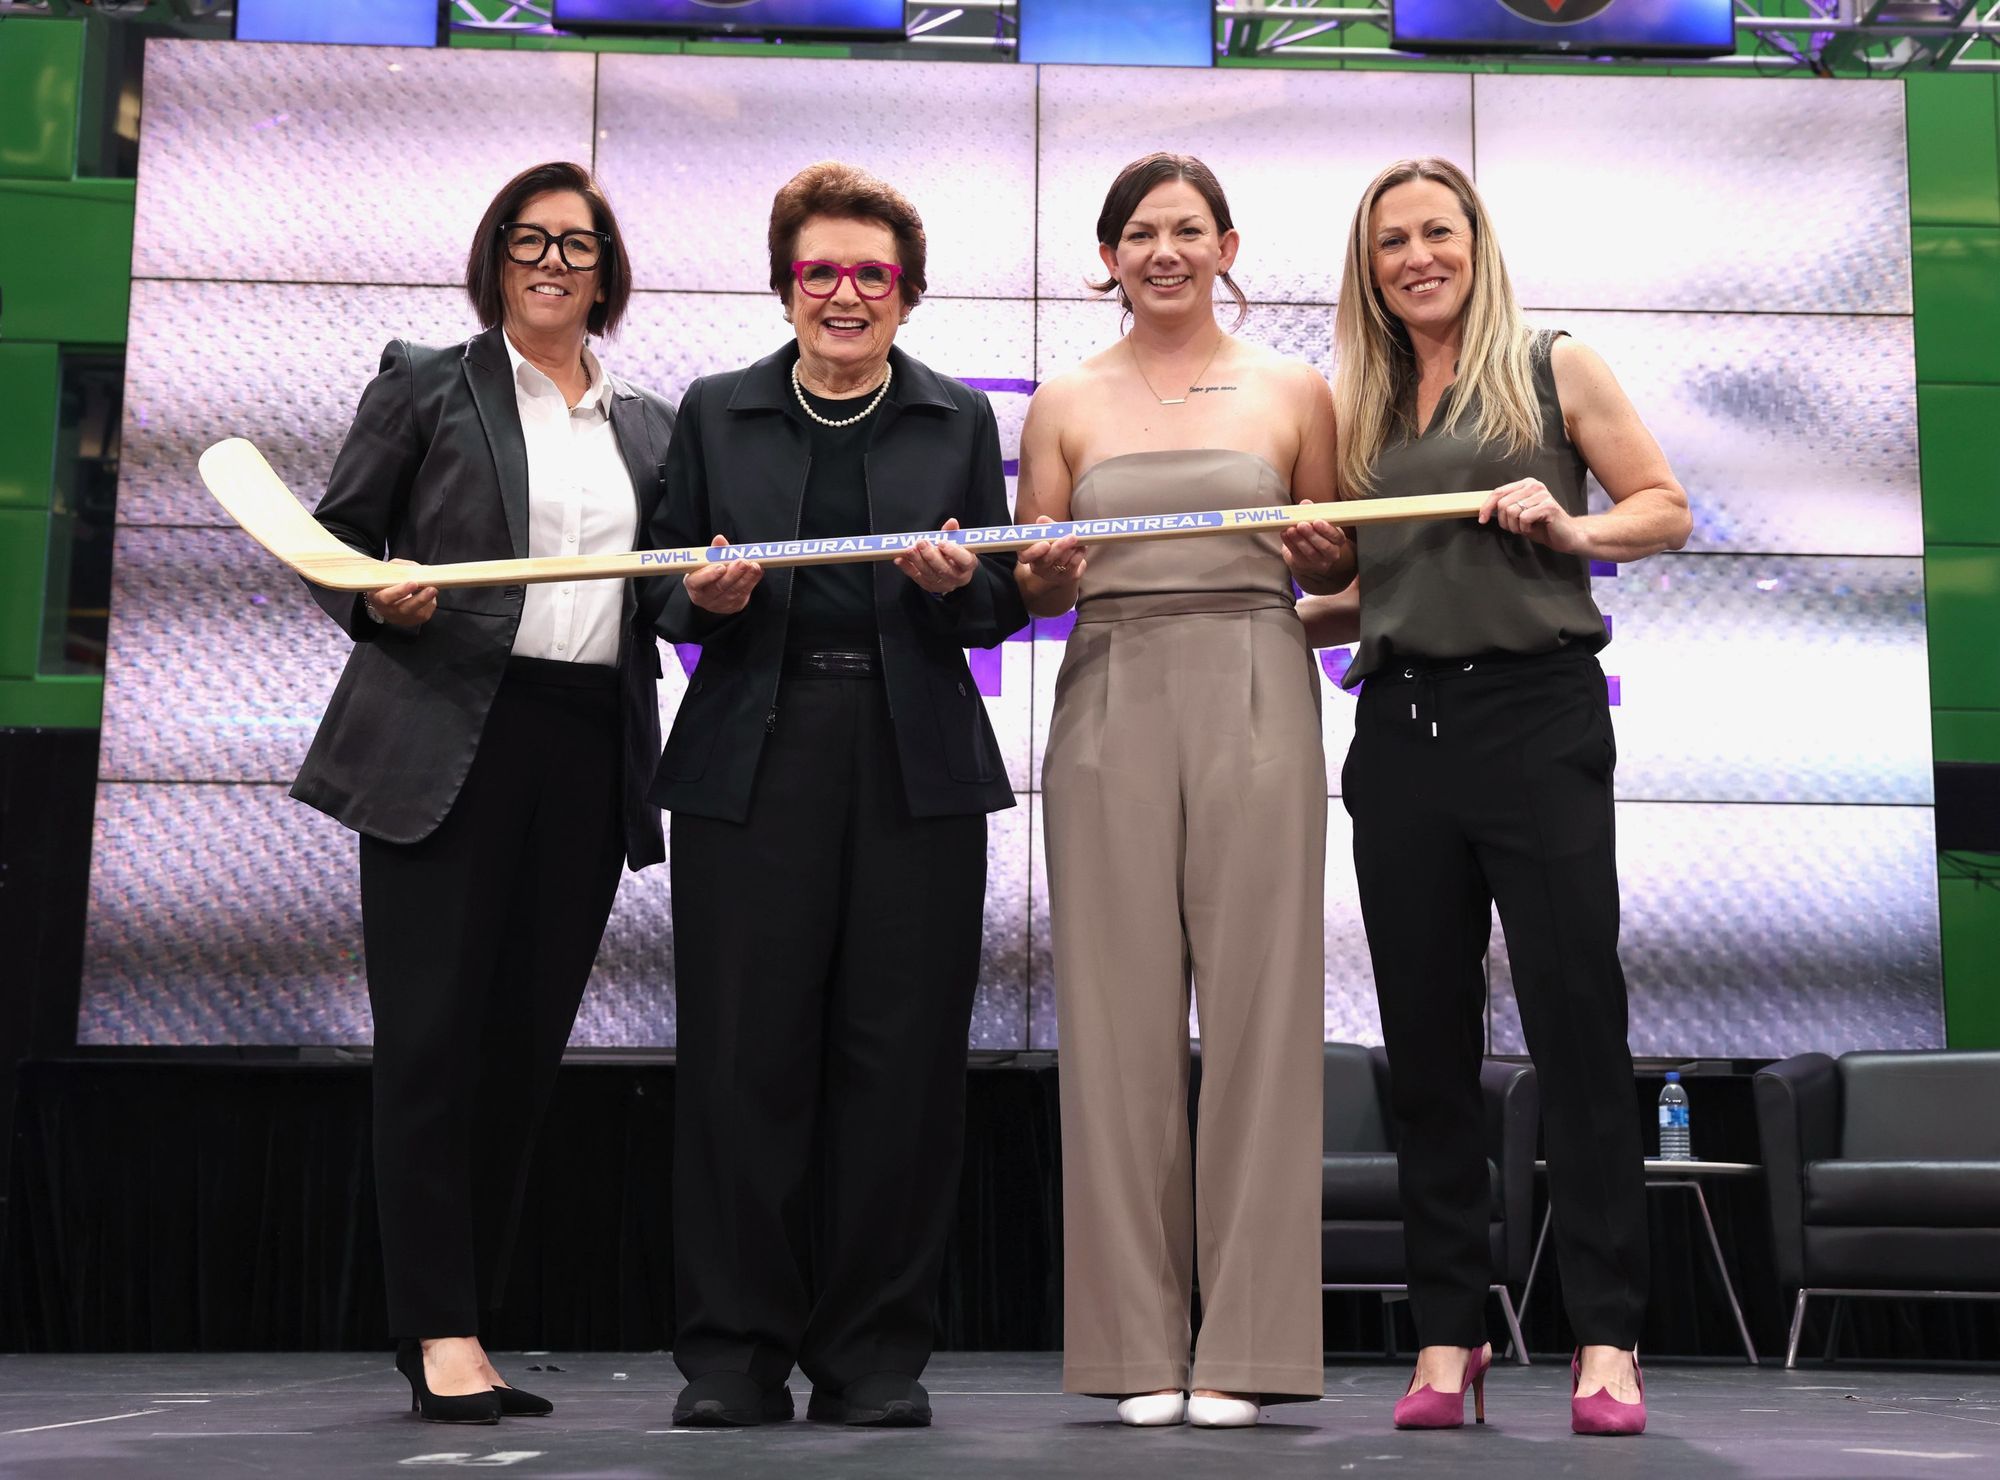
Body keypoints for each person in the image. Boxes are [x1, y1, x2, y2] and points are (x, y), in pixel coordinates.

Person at [1300, 156, 1690, 1437]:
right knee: (1423, 1046)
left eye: (1436, 232)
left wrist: (1569, 530)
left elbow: (1662, 508)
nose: (1416, 255)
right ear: (1367, 265)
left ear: (1475, 240)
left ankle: (1605, 1342)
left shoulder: (1549, 361)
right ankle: (1446, 1337)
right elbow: (1378, 590)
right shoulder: (1352, 402)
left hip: (1536, 717)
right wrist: (1257, 602)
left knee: (1577, 1026)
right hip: (1400, 728)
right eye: (1391, 240)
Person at [293, 161, 674, 1424]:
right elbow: (334, 541)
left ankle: (474, 1324)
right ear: (494, 256)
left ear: (607, 271)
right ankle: (438, 1332)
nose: (555, 262)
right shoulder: (426, 381)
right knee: (432, 1050)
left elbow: (658, 594)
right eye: (532, 239)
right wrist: (372, 590)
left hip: (583, 747)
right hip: (447, 732)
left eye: (579, 244)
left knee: (519, 1055)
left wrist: (711, 593)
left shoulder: (649, 425)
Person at [649, 160, 1027, 1431]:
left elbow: (998, 599)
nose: (846, 292)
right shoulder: (714, 412)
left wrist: (947, 586)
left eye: (872, 273)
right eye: (821, 271)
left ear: (906, 294)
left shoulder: (955, 422)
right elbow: (653, 578)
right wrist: (692, 598)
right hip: (750, 758)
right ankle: (732, 1357)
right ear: (785, 286)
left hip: (910, 758)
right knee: (740, 1064)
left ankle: (874, 1358)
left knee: (900, 1068)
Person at [1013, 152, 1349, 1429]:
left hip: (1259, 675)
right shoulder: (1060, 399)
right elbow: (1038, 585)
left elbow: (1338, 566)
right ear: (1104, 255)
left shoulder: (1294, 388)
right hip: (1106, 685)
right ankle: (1130, 1348)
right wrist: (1043, 571)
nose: (1163, 250)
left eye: (1187, 229)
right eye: (1138, 232)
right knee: (1111, 1027)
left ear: (1226, 245)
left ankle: (1251, 1347)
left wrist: (1325, 557)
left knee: (1265, 1017)